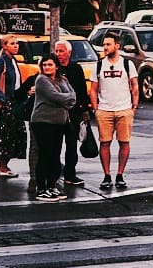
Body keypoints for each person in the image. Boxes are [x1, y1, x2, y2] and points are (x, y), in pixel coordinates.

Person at [89, 33, 138, 192]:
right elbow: (93, 89)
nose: (105, 47)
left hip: (124, 109)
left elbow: (135, 86)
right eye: (104, 45)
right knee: (104, 142)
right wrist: (96, 109)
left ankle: (120, 175)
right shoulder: (98, 65)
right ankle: (107, 175)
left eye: (108, 44)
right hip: (105, 110)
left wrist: (133, 107)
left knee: (124, 142)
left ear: (117, 46)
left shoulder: (127, 64)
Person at [29, 53, 75, 202]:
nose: (47, 67)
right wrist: (67, 98)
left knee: (55, 155)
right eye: (45, 65)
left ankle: (51, 185)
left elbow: (73, 95)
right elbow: (54, 96)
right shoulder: (41, 80)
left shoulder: (62, 79)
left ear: (56, 66)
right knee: (45, 155)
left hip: (59, 122)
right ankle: (41, 188)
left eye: (50, 64)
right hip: (43, 121)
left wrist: (67, 98)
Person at [0, 36, 27, 179]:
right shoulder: (1, 62)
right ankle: (2, 166)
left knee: (15, 135)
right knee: (4, 137)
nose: (16, 46)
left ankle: (4, 164)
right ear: (4, 46)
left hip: (15, 102)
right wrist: (4, 100)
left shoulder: (13, 61)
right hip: (5, 106)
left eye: (17, 43)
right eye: (12, 44)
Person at [53, 39, 90, 186]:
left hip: (73, 113)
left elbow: (81, 89)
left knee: (71, 145)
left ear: (69, 52)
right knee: (55, 145)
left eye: (61, 51)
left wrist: (85, 109)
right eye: (56, 51)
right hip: (56, 113)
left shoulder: (76, 69)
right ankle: (54, 175)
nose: (58, 54)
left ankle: (70, 174)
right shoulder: (53, 69)